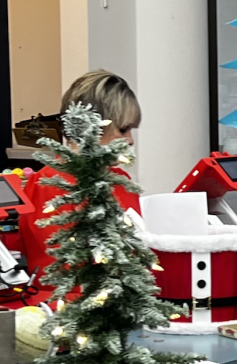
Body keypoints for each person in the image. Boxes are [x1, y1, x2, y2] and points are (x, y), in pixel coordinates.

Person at [17, 69, 143, 298]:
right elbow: (68, 268)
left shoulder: (121, 181)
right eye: (123, 129)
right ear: (92, 126)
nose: (131, 140)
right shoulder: (49, 185)